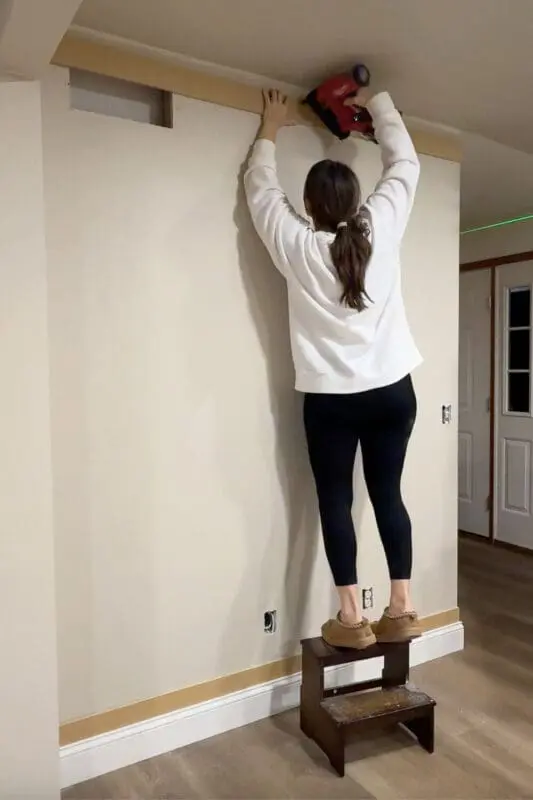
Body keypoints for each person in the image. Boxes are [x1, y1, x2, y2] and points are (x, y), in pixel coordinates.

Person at [244, 87, 423, 649]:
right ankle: (401, 608)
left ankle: (351, 620)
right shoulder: (380, 228)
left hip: (332, 400)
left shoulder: (298, 244)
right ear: (354, 201)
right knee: (388, 494)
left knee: (334, 501)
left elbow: (260, 192)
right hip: (394, 390)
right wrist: (377, 103)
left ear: (312, 207)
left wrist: (270, 127)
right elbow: (406, 163)